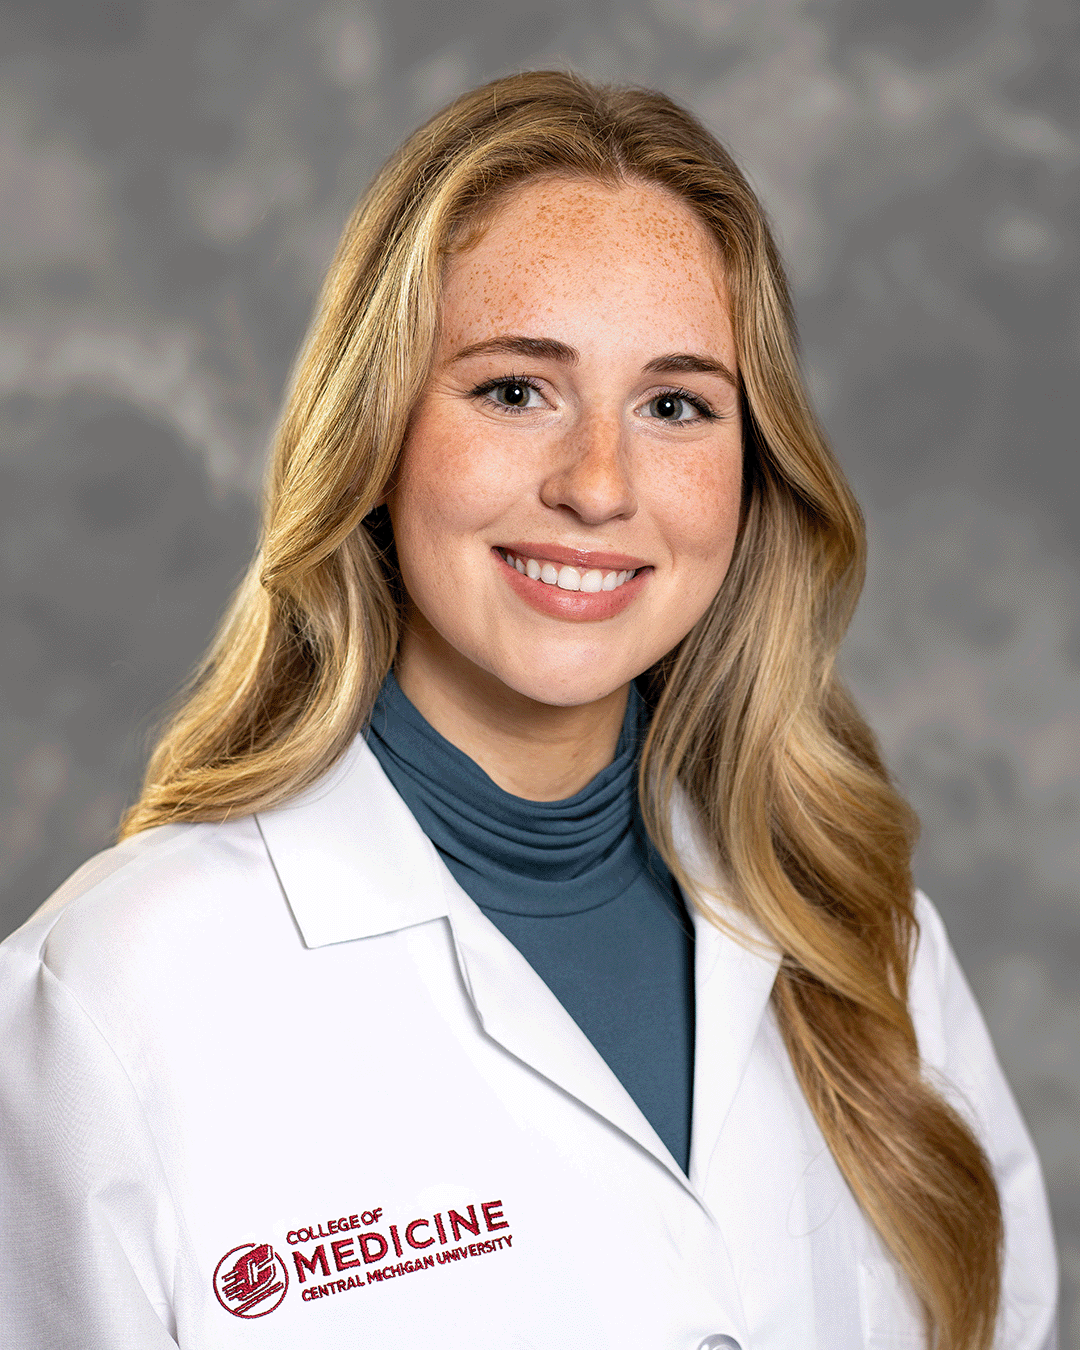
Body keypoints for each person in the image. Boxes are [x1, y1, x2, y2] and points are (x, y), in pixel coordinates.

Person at [0, 70, 1058, 1350]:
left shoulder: (857, 934)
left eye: (675, 405)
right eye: (515, 389)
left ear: (752, 467)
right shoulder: (111, 1000)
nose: (599, 487)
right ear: (377, 431)